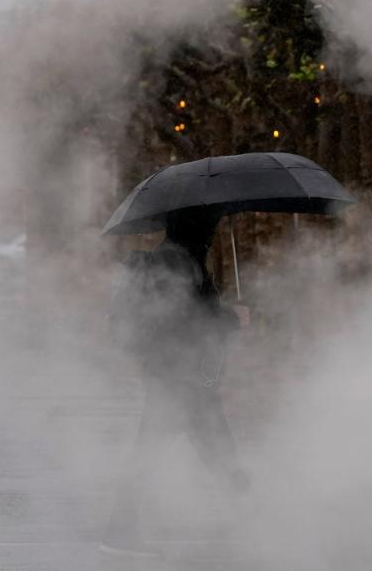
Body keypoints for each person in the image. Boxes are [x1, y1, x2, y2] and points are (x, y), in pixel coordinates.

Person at [101, 207, 250, 558]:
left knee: (215, 451)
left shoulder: (183, 257)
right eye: (208, 223)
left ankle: (251, 520)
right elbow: (184, 319)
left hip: (182, 376)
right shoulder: (176, 262)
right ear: (193, 224)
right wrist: (232, 319)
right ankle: (254, 521)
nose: (213, 230)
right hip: (177, 378)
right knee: (191, 452)